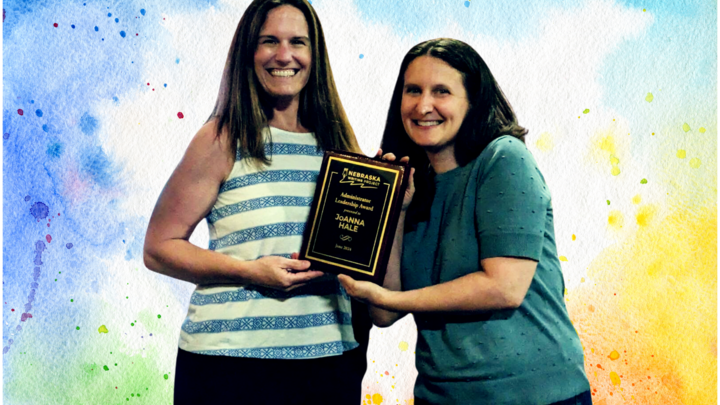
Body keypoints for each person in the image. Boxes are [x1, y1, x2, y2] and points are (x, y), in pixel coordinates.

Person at [338, 38, 592, 405]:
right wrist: (397, 210)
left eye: (441, 91)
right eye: (413, 91)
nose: (424, 105)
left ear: (472, 100)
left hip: (535, 396)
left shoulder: (504, 158)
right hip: (441, 396)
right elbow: (384, 311)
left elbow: (505, 287)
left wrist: (393, 296)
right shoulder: (410, 183)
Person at [143, 1, 370, 403]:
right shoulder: (222, 138)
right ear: (249, 53)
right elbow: (159, 249)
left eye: (297, 42)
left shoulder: (339, 145)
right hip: (228, 365)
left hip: (328, 362)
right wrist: (251, 272)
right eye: (269, 41)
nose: (284, 55)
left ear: (314, 55)